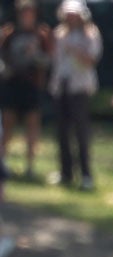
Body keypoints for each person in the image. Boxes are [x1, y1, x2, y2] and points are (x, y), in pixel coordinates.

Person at [48, 0, 100, 191]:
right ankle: (65, 172)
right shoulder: (59, 34)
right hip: (61, 86)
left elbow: (91, 60)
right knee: (62, 131)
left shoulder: (90, 34)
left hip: (80, 87)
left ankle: (86, 174)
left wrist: (75, 50)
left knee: (81, 132)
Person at [0, 0, 51, 181]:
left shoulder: (42, 34)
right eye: (23, 13)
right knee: (7, 125)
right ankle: (2, 163)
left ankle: (29, 166)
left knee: (32, 125)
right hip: (12, 85)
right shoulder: (9, 34)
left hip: (31, 86)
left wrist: (34, 56)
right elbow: (3, 57)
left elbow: (48, 61)